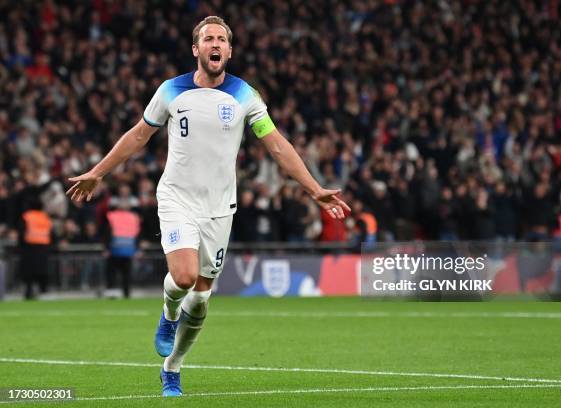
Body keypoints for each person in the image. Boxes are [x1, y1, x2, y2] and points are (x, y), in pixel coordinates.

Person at [66, 16, 350, 397]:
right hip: (176, 198)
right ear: (196, 49)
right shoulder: (170, 91)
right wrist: (98, 172)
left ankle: (172, 368)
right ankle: (168, 315)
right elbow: (138, 135)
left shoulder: (245, 95)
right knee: (183, 278)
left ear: (229, 50)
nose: (215, 44)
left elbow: (277, 145)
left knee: (200, 299)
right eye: (207, 38)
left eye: (221, 39)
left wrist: (314, 188)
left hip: (219, 208)